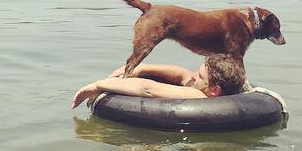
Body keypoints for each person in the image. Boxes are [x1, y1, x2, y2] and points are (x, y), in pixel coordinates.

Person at [72, 53, 251, 109]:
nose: (193, 75)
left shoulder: (197, 95)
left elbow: (147, 89)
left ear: (214, 91)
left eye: (200, 76)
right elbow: (181, 73)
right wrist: (138, 69)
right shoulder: (203, 87)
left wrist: (97, 85)